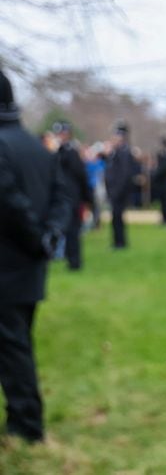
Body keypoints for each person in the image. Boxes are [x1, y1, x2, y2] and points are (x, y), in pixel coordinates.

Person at [0, 69, 70, 443]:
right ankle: (20, 416)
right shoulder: (33, 145)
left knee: (13, 349)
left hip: (9, 266)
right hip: (30, 265)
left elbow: (10, 204)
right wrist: (49, 236)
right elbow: (61, 196)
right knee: (18, 343)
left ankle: (27, 425)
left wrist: (37, 238)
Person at [52, 121, 93, 270]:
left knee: (73, 231)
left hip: (72, 197)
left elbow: (81, 175)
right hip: (64, 197)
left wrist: (87, 198)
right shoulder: (60, 151)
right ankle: (69, 258)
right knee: (67, 230)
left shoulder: (71, 152)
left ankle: (74, 261)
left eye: (61, 133)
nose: (59, 136)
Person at [104, 122, 133, 249]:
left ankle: (120, 243)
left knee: (117, 217)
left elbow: (124, 174)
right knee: (115, 218)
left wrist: (117, 190)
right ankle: (117, 241)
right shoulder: (116, 152)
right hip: (114, 190)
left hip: (118, 191)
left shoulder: (124, 152)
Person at [151, 135, 166, 226]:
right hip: (162, 183)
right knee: (163, 202)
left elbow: (163, 169)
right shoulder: (162, 154)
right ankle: (164, 219)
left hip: (165, 182)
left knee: (165, 202)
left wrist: (154, 175)